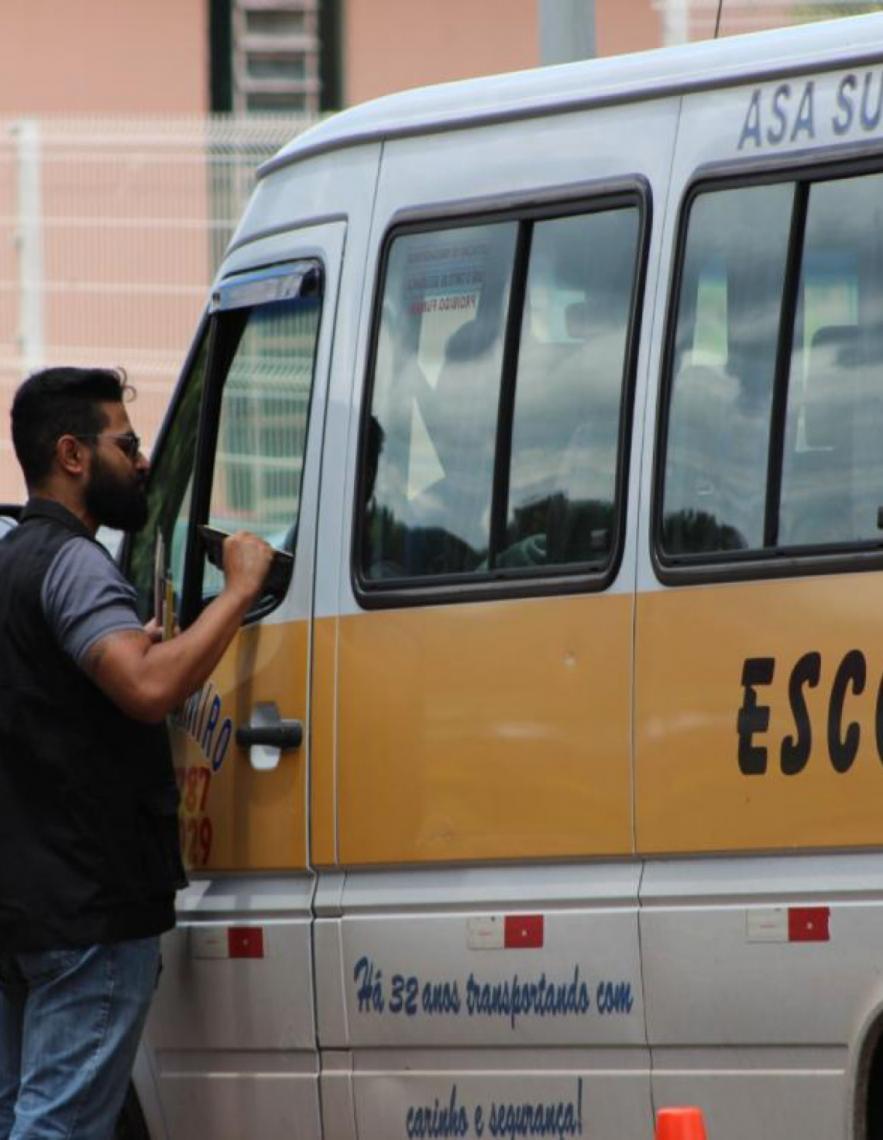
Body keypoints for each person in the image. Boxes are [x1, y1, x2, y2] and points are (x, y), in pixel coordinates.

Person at [0, 366, 273, 1140]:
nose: (142, 459)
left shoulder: (13, 563)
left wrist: (134, 646)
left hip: (25, 913)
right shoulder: (75, 562)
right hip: (86, 913)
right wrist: (237, 591)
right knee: (57, 1128)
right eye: (126, 443)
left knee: (23, 1115)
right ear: (73, 455)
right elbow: (147, 689)